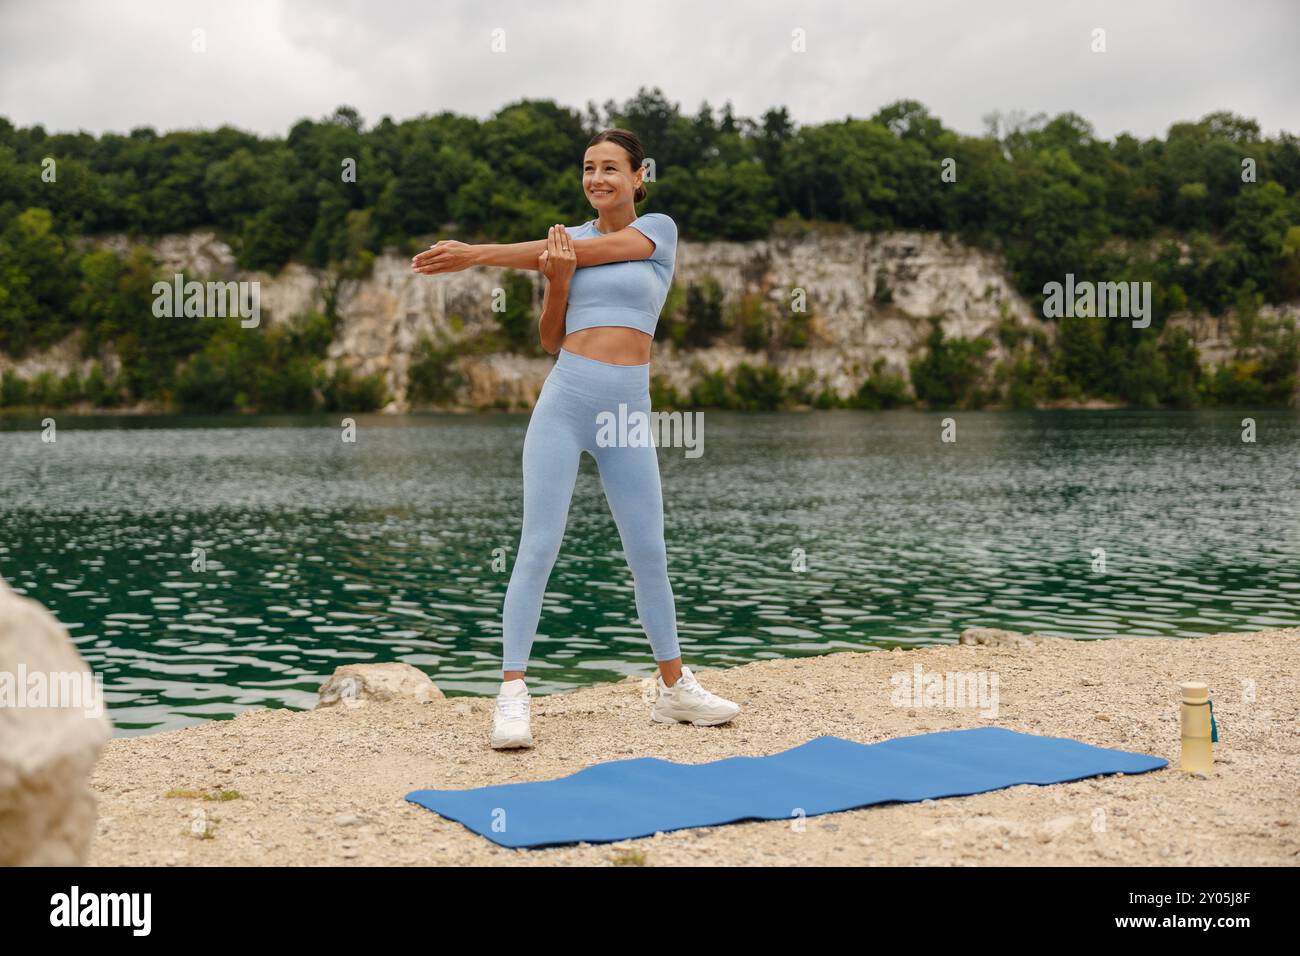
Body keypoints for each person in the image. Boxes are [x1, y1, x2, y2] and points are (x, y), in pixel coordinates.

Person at [411, 128, 740, 749]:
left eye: (611, 168)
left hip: (628, 412)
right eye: (588, 168)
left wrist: (480, 253)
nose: (597, 179)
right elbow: (548, 338)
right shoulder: (566, 241)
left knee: (649, 554)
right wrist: (554, 278)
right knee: (538, 547)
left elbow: (591, 253)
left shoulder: (658, 231)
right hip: (565, 403)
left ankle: (673, 690)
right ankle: (512, 695)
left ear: (641, 175)